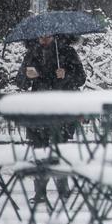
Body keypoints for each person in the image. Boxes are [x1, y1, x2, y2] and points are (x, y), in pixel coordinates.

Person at [15, 34, 86, 203]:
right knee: (39, 150)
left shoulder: (67, 52)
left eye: (47, 36)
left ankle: (63, 189)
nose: (43, 40)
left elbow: (81, 78)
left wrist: (66, 74)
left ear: (54, 36)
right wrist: (27, 76)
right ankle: (40, 192)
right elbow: (20, 82)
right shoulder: (31, 54)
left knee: (58, 149)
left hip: (61, 108)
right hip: (38, 109)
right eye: (40, 37)